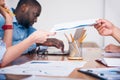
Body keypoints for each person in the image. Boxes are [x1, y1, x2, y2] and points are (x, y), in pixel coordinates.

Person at [0, 0, 55, 67]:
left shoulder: (26, 25)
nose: (36, 20)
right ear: (24, 8)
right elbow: (5, 52)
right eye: (35, 15)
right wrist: (34, 43)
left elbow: (42, 41)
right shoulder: (2, 20)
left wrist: (42, 41)